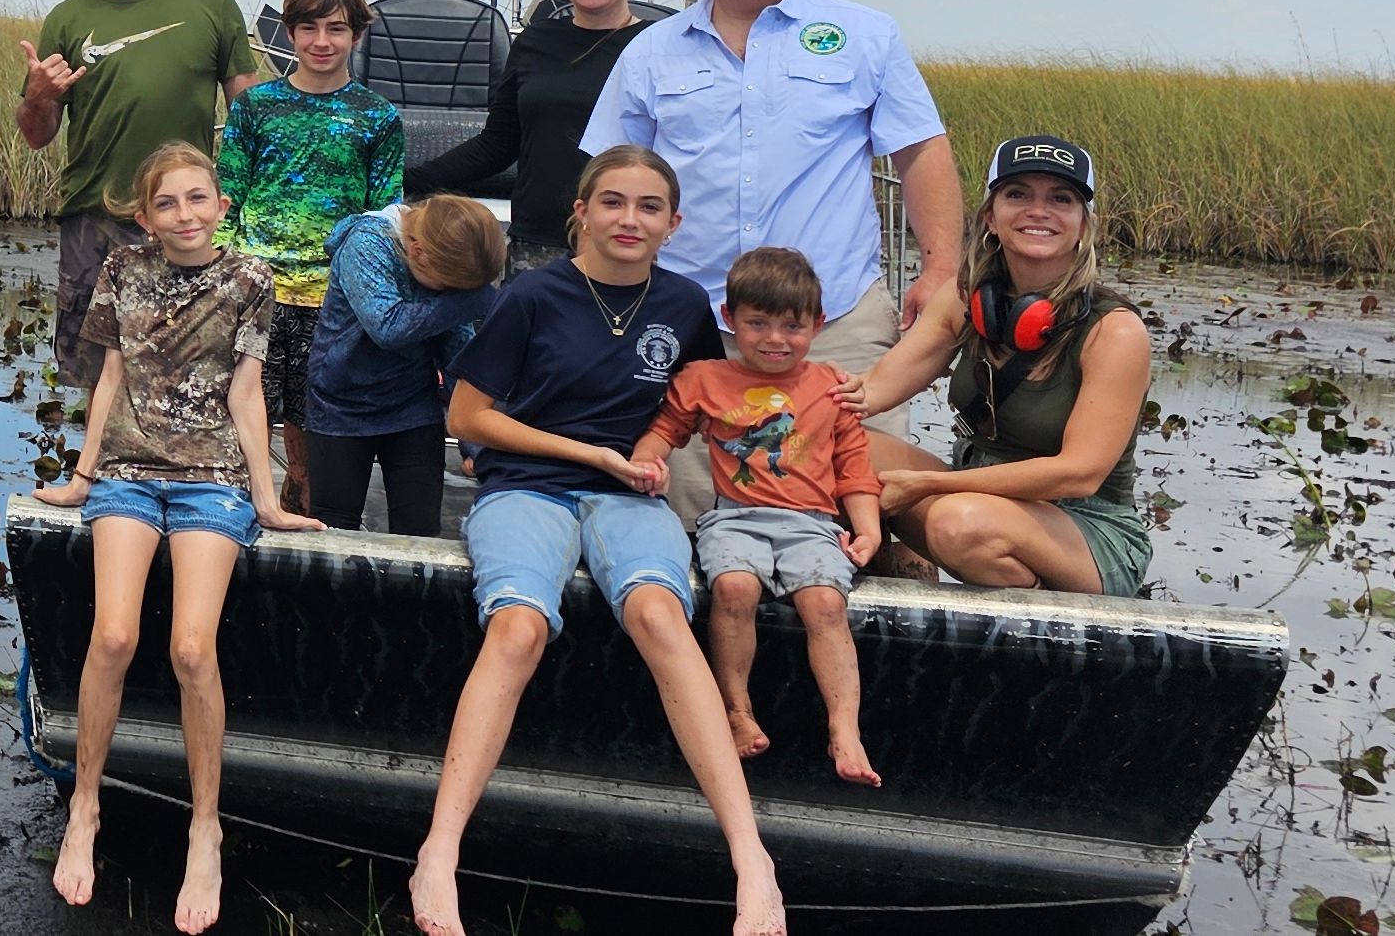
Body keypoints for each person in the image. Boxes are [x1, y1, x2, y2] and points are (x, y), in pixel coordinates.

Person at [410, 146, 783, 936]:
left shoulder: (684, 306)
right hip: (527, 486)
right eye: (612, 202)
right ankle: (439, 851)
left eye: (649, 207)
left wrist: (655, 448)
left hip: (627, 498)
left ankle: (752, 857)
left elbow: (702, 410)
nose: (629, 220)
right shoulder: (530, 296)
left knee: (659, 616)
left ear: (674, 224)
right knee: (518, 627)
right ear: (580, 211)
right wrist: (590, 453)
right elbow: (467, 418)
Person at [25, 143, 319, 922]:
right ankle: (85, 805)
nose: (184, 216)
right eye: (167, 204)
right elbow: (111, 376)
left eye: (198, 199)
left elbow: (250, 392)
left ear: (222, 204)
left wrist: (269, 495)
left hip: (214, 480)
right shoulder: (123, 269)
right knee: (114, 636)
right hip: (126, 471)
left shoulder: (251, 278)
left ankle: (205, 828)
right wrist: (81, 476)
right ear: (146, 217)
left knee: (193, 647)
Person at [584, 0, 959, 389]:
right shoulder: (649, 49)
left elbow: (920, 152)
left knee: (857, 472)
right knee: (677, 474)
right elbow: (609, 180)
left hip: (834, 322)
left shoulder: (866, 34)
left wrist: (940, 273)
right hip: (687, 325)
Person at [842, 134, 1155, 596]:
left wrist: (928, 484)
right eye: (1018, 194)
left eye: (1061, 198)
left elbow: (1080, 473)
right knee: (836, 441)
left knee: (959, 524)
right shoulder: (962, 298)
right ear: (990, 214)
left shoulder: (1115, 333)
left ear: (1084, 224)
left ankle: (1035, 638)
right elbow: (871, 391)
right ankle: (848, 576)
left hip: (1081, 527)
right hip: (974, 500)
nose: (1038, 210)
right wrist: (783, 397)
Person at [632, 246, 886, 787]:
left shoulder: (831, 387)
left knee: (824, 602)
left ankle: (845, 727)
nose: (774, 338)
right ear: (730, 320)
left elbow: (854, 467)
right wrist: (645, 460)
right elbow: (665, 431)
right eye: (758, 324)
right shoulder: (702, 379)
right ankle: (736, 708)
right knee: (734, 589)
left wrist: (867, 528)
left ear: (817, 325)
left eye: (791, 326)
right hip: (736, 517)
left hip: (813, 523)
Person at [20, 0, 265, 392]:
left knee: (191, 371)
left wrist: (235, 207)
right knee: (95, 377)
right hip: (94, 219)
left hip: (185, 219)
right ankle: (96, 472)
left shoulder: (212, 6)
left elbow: (249, 113)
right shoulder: (68, 18)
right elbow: (37, 135)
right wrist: (38, 95)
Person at [219, 0, 404, 507]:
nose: (321, 42)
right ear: (290, 34)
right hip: (257, 288)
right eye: (308, 28)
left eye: (336, 29)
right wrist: (226, 276)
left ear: (356, 35)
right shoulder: (255, 107)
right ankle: (237, 508)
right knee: (241, 406)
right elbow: (229, 193)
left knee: (310, 424)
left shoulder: (378, 116)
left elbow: (383, 217)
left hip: (332, 297)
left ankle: (300, 502)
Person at [410, 0, 653, 270]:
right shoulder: (535, 42)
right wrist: (409, 180)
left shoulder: (658, 46)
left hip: (628, 246)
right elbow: (497, 146)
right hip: (538, 246)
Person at [304, 193, 506, 536]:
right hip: (340, 407)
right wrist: (474, 300)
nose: (454, 296)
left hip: (412, 405)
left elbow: (456, 352)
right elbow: (388, 326)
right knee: (334, 530)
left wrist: (478, 442)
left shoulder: (446, 269)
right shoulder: (368, 244)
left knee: (420, 530)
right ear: (417, 252)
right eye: (450, 288)